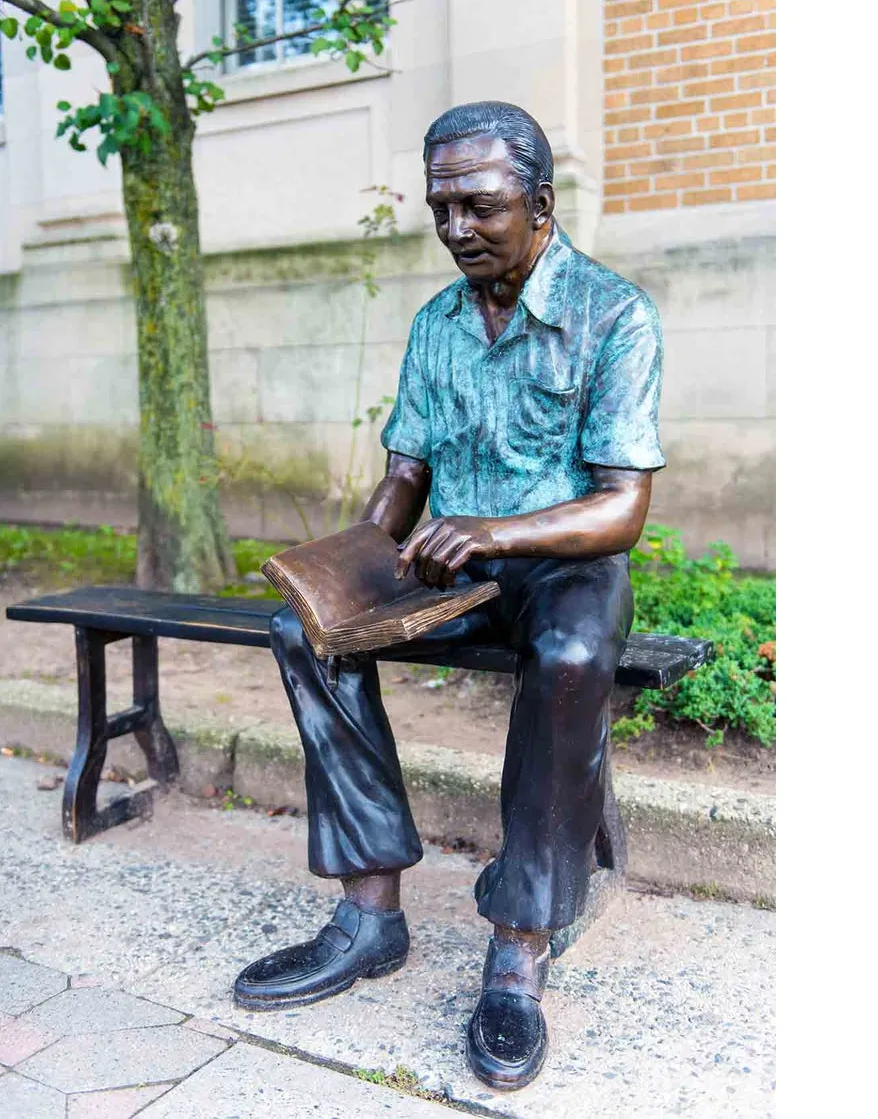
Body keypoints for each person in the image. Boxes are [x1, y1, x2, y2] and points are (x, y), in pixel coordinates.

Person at [232, 101, 664, 1091]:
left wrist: (499, 532)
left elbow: (622, 509)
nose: (456, 226)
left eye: (481, 204)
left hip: (568, 564)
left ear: (542, 205)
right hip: (452, 564)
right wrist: (350, 559)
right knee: (306, 632)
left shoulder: (613, 315)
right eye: (442, 206)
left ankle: (520, 943)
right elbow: (403, 478)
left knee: (567, 660)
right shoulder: (436, 324)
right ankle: (369, 910)